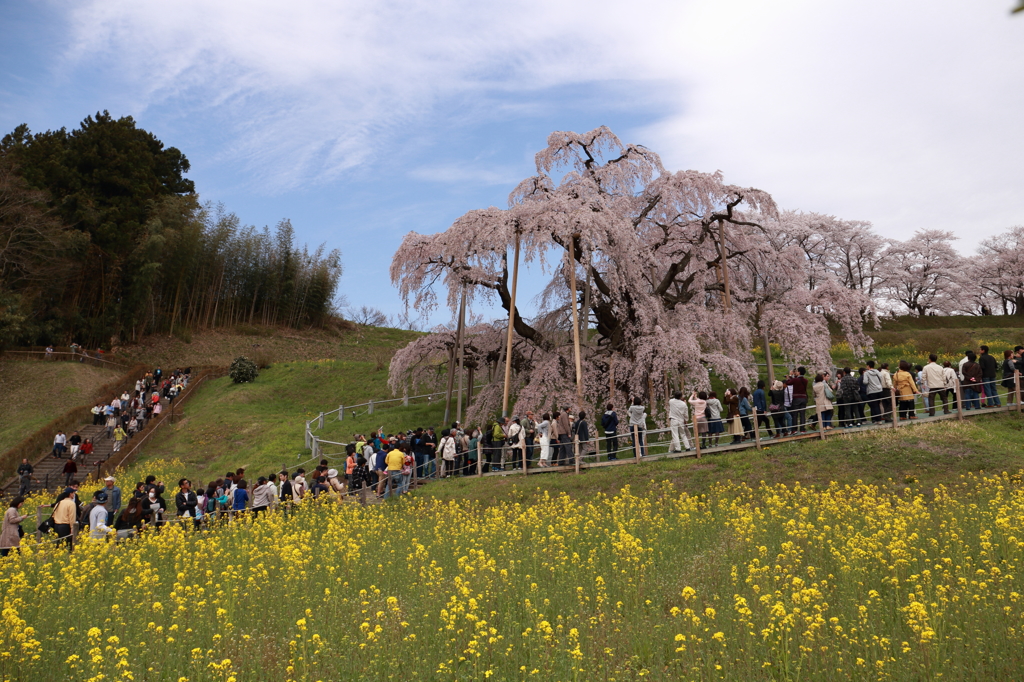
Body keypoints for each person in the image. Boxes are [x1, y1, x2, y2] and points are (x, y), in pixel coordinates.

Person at [785, 367, 809, 432]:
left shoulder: (795, 380)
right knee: (802, 414)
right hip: (804, 398)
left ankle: (794, 429)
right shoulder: (805, 380)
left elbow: (788, 382)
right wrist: (794, 376)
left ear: (799, 372)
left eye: (797, 371)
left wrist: (790, 375)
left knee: (795, 414)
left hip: (796, 399)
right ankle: (802, 429)